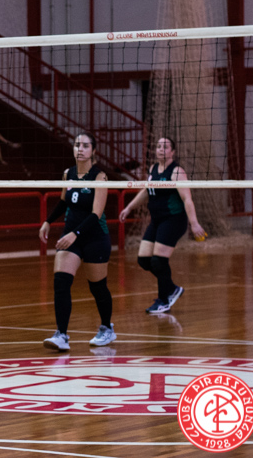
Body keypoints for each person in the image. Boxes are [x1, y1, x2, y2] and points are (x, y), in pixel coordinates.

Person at [38, 132, 115, 351]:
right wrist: (48, 221)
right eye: (77, 145)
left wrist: (75, 234)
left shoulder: (99, 177)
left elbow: (96, 214)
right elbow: (64, 201)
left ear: (93, 151)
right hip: (71, 236)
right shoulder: (68, 174)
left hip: (95, 237)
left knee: (98, 287)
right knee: (61, 282)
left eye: (85, 146)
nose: (80, 149)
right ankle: (61, 335)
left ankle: (107, 328)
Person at [119, 137, 207, 314]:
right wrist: (129, 207)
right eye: (158, 146)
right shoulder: (153, 169)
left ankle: (164, 301)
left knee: (158, 260)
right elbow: (147, 191)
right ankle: (172, 288)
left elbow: (187, 199)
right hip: (157, 221)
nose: (160, 149)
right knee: (144, 260)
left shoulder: (177, 172)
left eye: (165, 147)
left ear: (172, 152)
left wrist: (194, 223)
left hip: (173, 220)